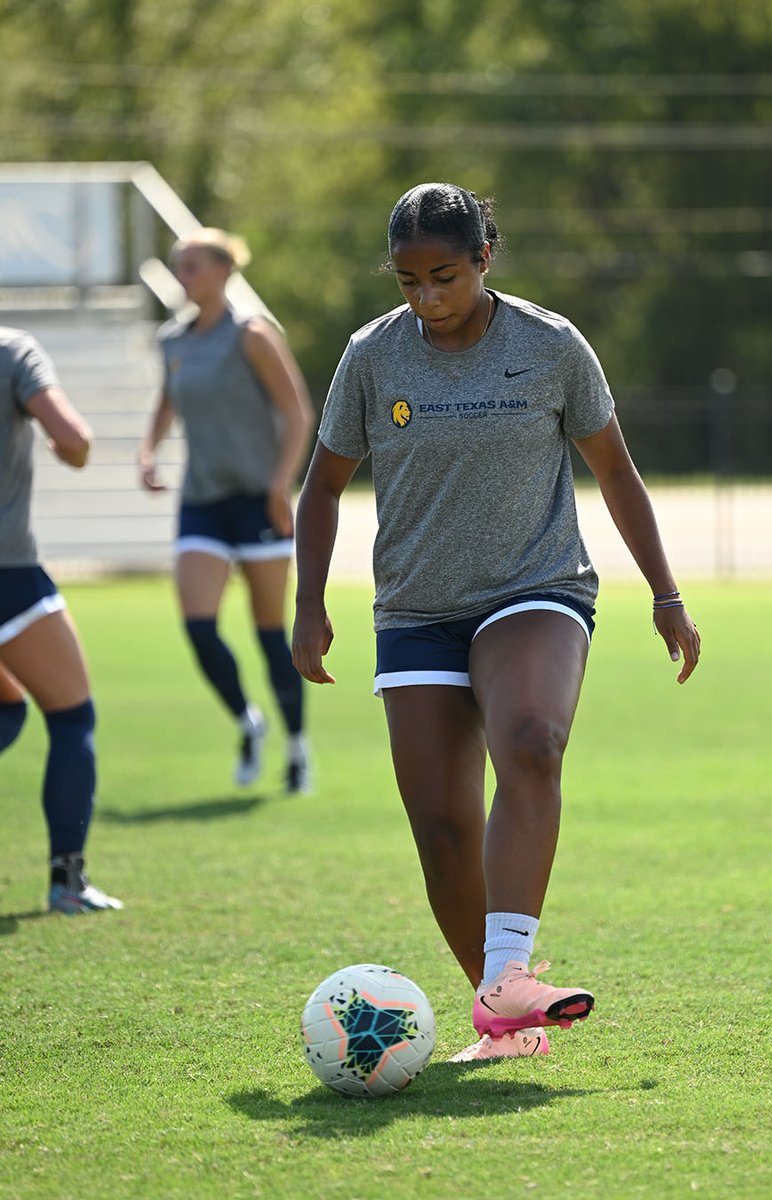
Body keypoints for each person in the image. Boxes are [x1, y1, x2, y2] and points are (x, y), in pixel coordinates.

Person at [292, 183, 700, 1061]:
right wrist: (308, 603)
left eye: (444, 277)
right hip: (416, 609)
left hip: (535, 587)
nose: (427, 298)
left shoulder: (550, 346)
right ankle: (504, 1017)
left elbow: (616, 472)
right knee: (443, 834)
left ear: (483, 258)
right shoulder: (371, 357)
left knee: (531, 741)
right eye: (408, 281)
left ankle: (510, 972)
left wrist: (665, 593)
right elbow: (321, 487)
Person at [138, 228, 314, 791]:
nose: (182, 275)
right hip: (201, 502)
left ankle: (297, 748)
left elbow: (299, 414)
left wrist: (279, 486)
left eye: (192, 265)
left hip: (258, 503)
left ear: (223, 271)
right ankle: (247, 720)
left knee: (270, 634)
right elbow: (167, 401)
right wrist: (148, 451)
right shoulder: (172, 340)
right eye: (178, 266)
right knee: (198, 626)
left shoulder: (252, 335)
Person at [0, 326, 122, 914]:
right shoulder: (12, 351)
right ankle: (67, 882)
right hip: (8, 574)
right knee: (72, 718)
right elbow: (73, 440)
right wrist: (67, 448)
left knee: (7, 707)